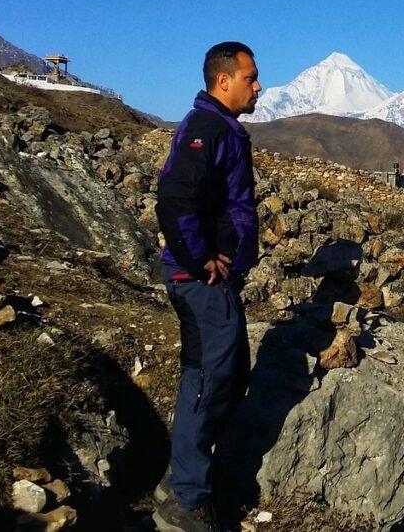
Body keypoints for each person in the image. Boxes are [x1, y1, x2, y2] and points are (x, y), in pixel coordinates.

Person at [153, 42, 261, 532]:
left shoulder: (221, 127)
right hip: (198, 280)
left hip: (213, 278)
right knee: (208, 378)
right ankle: (187, 500)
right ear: (224, 81)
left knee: (227, 373)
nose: (257, 87)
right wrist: (199, 259)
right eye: (250, 78)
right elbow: (175, 199)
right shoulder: (207, 128)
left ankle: (183, 477)